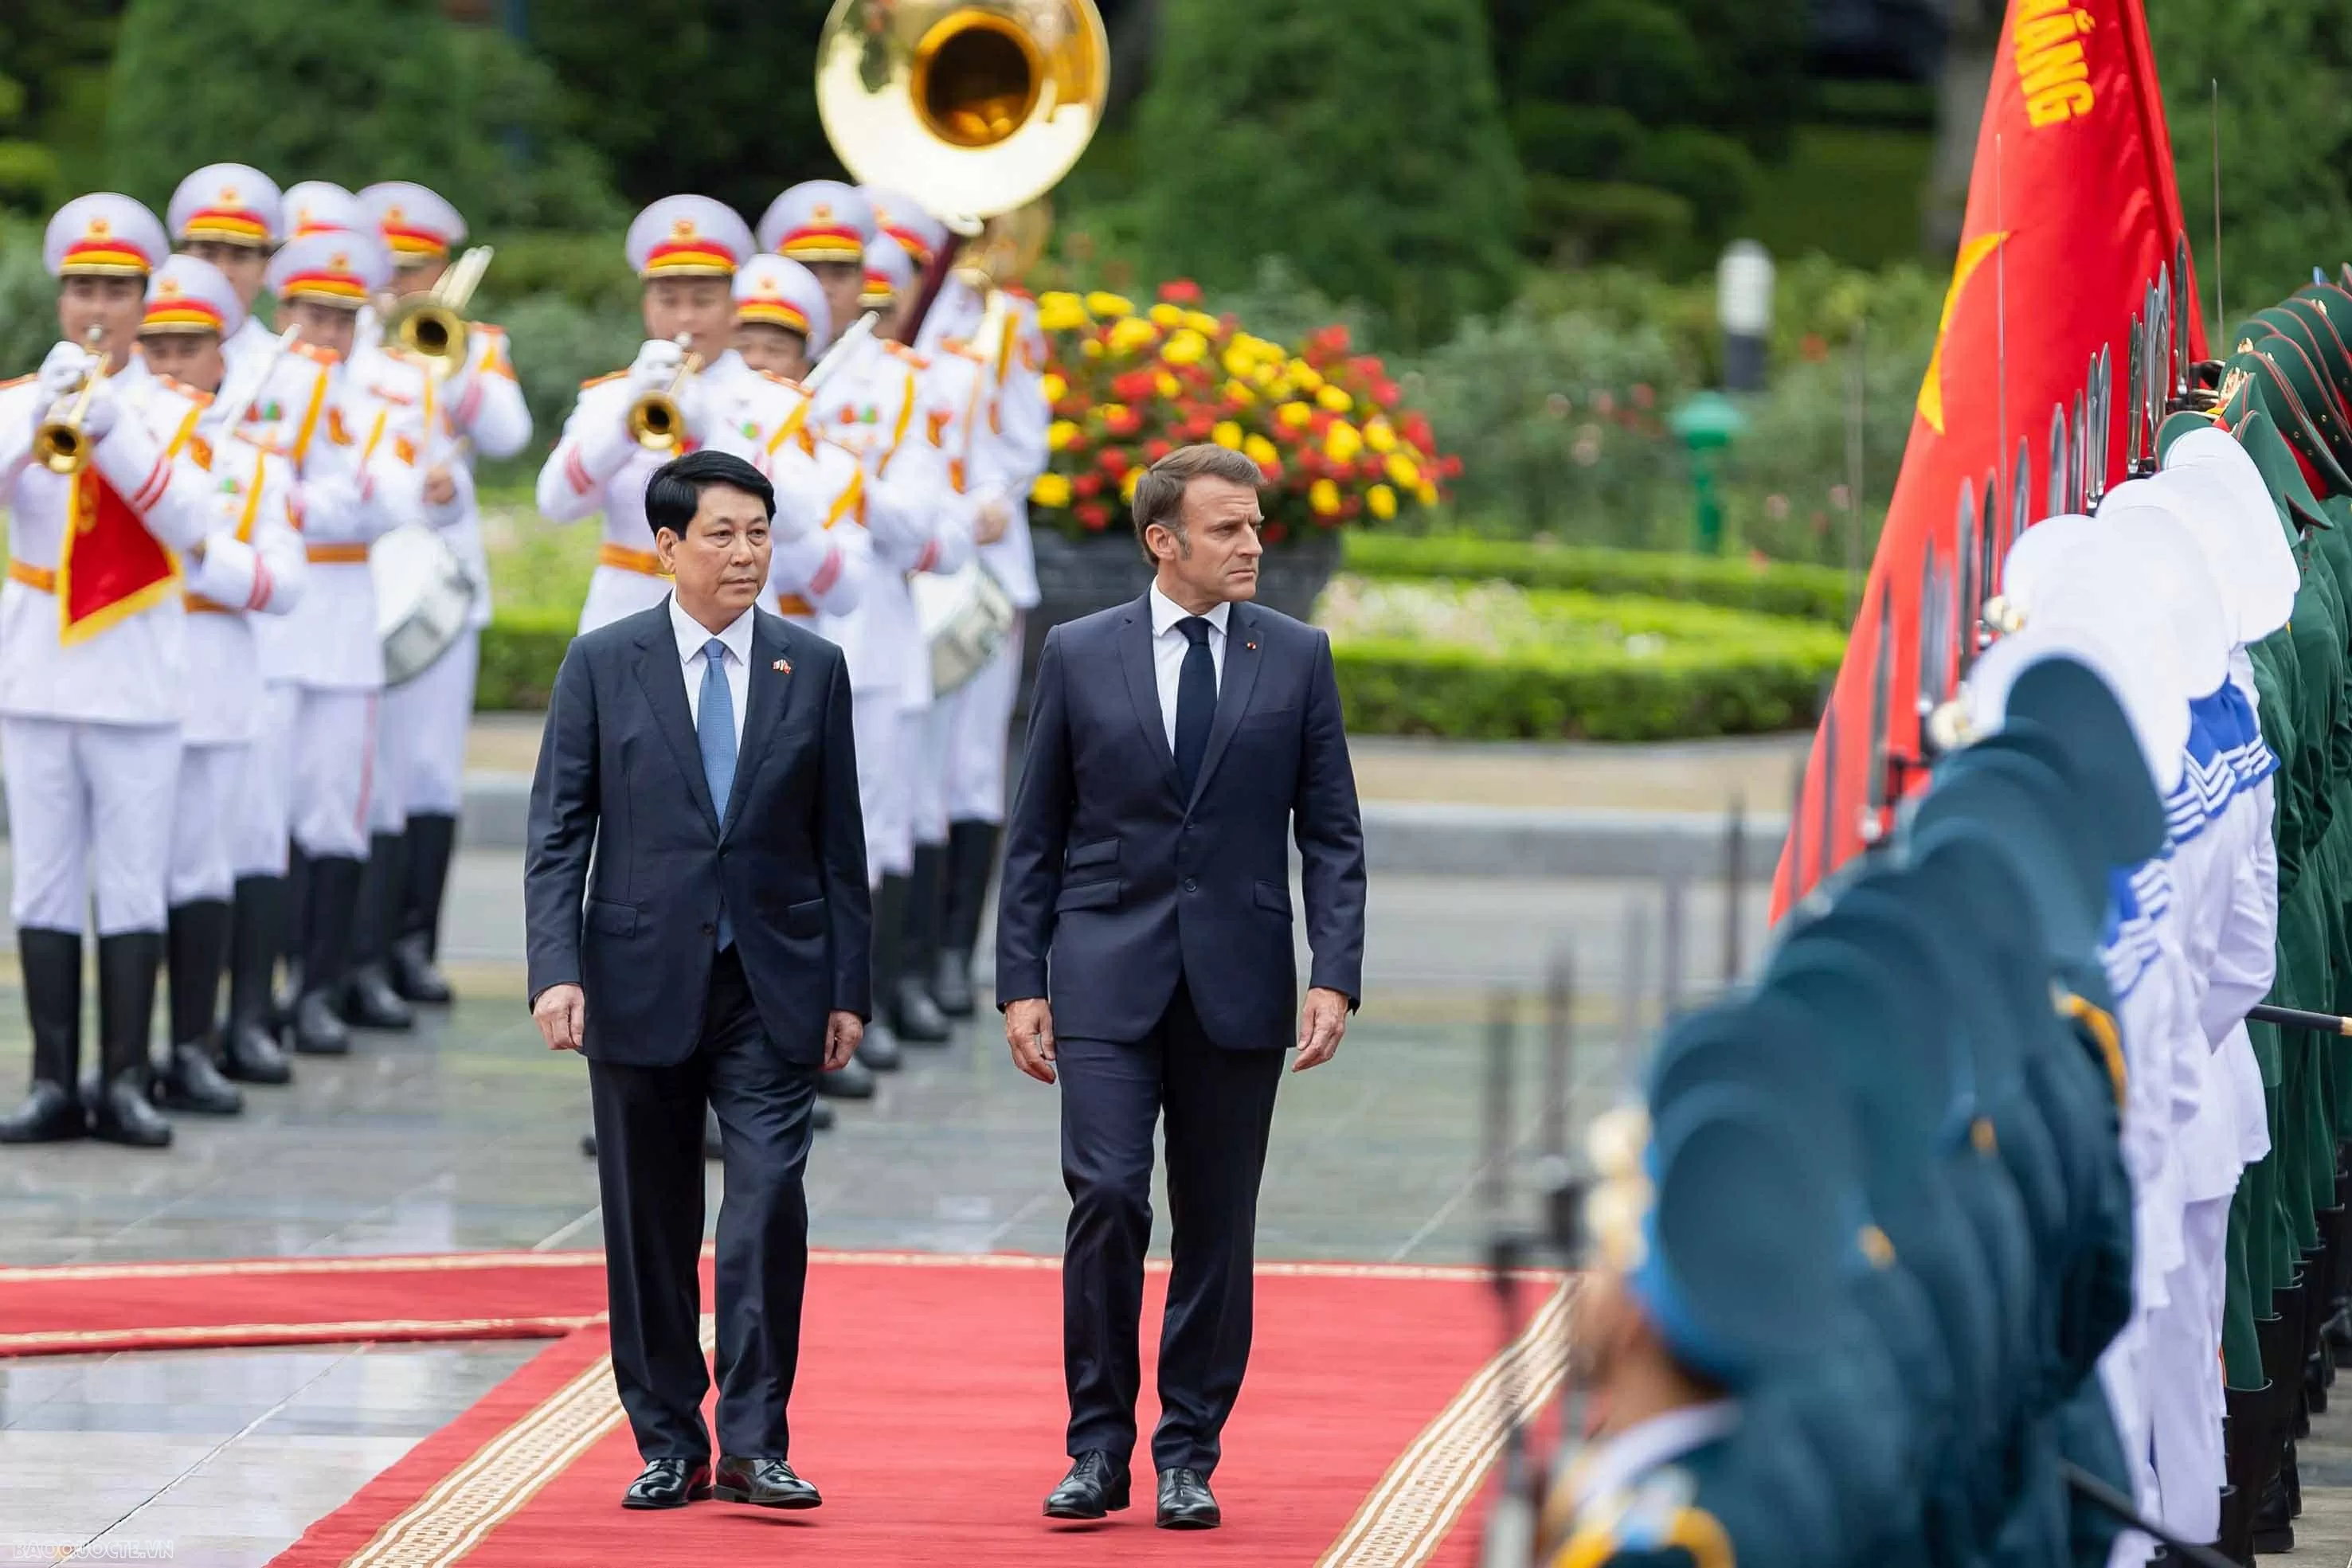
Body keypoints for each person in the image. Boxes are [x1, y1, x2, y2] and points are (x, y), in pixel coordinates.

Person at [995, 442, 1367, 1527]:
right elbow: (1035, 835)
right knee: (1107, 1197)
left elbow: (1332, 833)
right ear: (1164, 541)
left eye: (1255, 527)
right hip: (1104, 973)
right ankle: (1097, 1446)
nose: (1252, 545)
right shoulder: (1076, 652)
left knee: (1216, 1223)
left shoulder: (1296, 655)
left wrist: (1332, 972)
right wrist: (1022, 978)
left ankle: (1188, 1452)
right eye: (1227, 529)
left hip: (1240, 982)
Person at [523, 449, 869, 1511]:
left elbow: (839, 843)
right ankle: (666, 1438)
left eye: (760, 532)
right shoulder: (603, 662)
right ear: (667, 546)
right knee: (649, 1219)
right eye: (722, 534)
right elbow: (557, 832)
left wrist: (848, 988)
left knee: (767, 1206)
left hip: (772, 984)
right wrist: (554, 971)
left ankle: (755, 1439)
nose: (746, 553)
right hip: (636, 976)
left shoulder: (809, 667)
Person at [0, 194, 221, 1147]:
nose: (96, 306)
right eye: (81, 288)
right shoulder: (18, 400)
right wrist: (43, 412)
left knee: (132, 882)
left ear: (144, 301)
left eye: (114, 291)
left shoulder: (174, 410)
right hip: (37, 674)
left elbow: (193, 525)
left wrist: (111, 427)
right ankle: (53, 1079)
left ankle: (125, 1078)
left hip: (135, 676)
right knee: (44, 883)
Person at [251, 216, 428, 1057]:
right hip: (268, 617)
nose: (320, 330)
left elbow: (394, 496)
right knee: (263, 807)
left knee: (335, 811)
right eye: (308, 311)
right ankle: (257, 990)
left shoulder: (380, 392)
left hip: (345, 607)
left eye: (337, 316)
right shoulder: (249, 382)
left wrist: (307, 488)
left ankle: (317, 987)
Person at [355, 181, 534, 1009]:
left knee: (427, 768)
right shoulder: (342, 340)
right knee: (367, 772)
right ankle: (352, 953)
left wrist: (450, 359)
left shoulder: (473, 343)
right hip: (358, 567)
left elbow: (506, 435)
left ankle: (411, 948)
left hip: (440, 585)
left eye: (415, 265)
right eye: (389, 266)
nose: (402, 281)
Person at [141, 254, 308, 1108]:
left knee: (204, 870)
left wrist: (208, 562)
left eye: (188, 347)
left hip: (211, 681)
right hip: (120, 677)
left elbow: (284, 585)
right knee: (131, 880)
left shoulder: (251, 464)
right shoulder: (104, 445)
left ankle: (193, 1046)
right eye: (156, 348)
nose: (170, 365)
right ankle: (125, 1057)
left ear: (220, 358)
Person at [537, 196, 766, 635]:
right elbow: (556, 504)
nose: (685, 317)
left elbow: (787, 517)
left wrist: (711, 432)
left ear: (735, 308)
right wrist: (624, 425)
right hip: (625, 615)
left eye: (703, 301)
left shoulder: (771, 401)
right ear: (646, 306)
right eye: (667, 300)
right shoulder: (609, 398)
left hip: (732, 618)